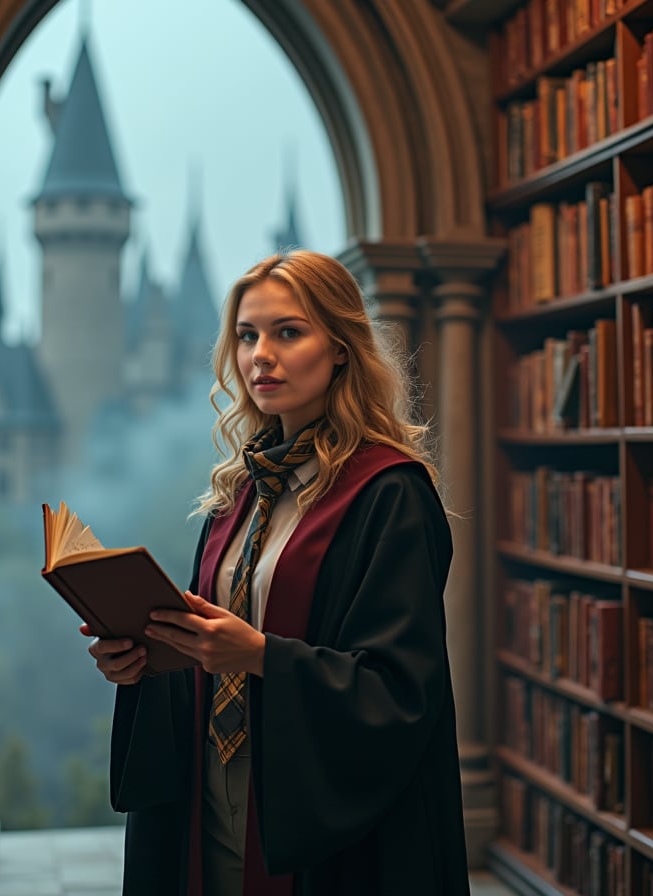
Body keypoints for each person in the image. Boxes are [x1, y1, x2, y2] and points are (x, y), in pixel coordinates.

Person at [83, 249, 470, 895]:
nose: (261, 354)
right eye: (247, 335)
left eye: (288, 332)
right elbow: (211, 648)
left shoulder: (388, 494)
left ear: (341, 347)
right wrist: (148, 663)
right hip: (211, 796)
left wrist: (261, 655)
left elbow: (403, 689)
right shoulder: (239, 494)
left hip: (317, 812)